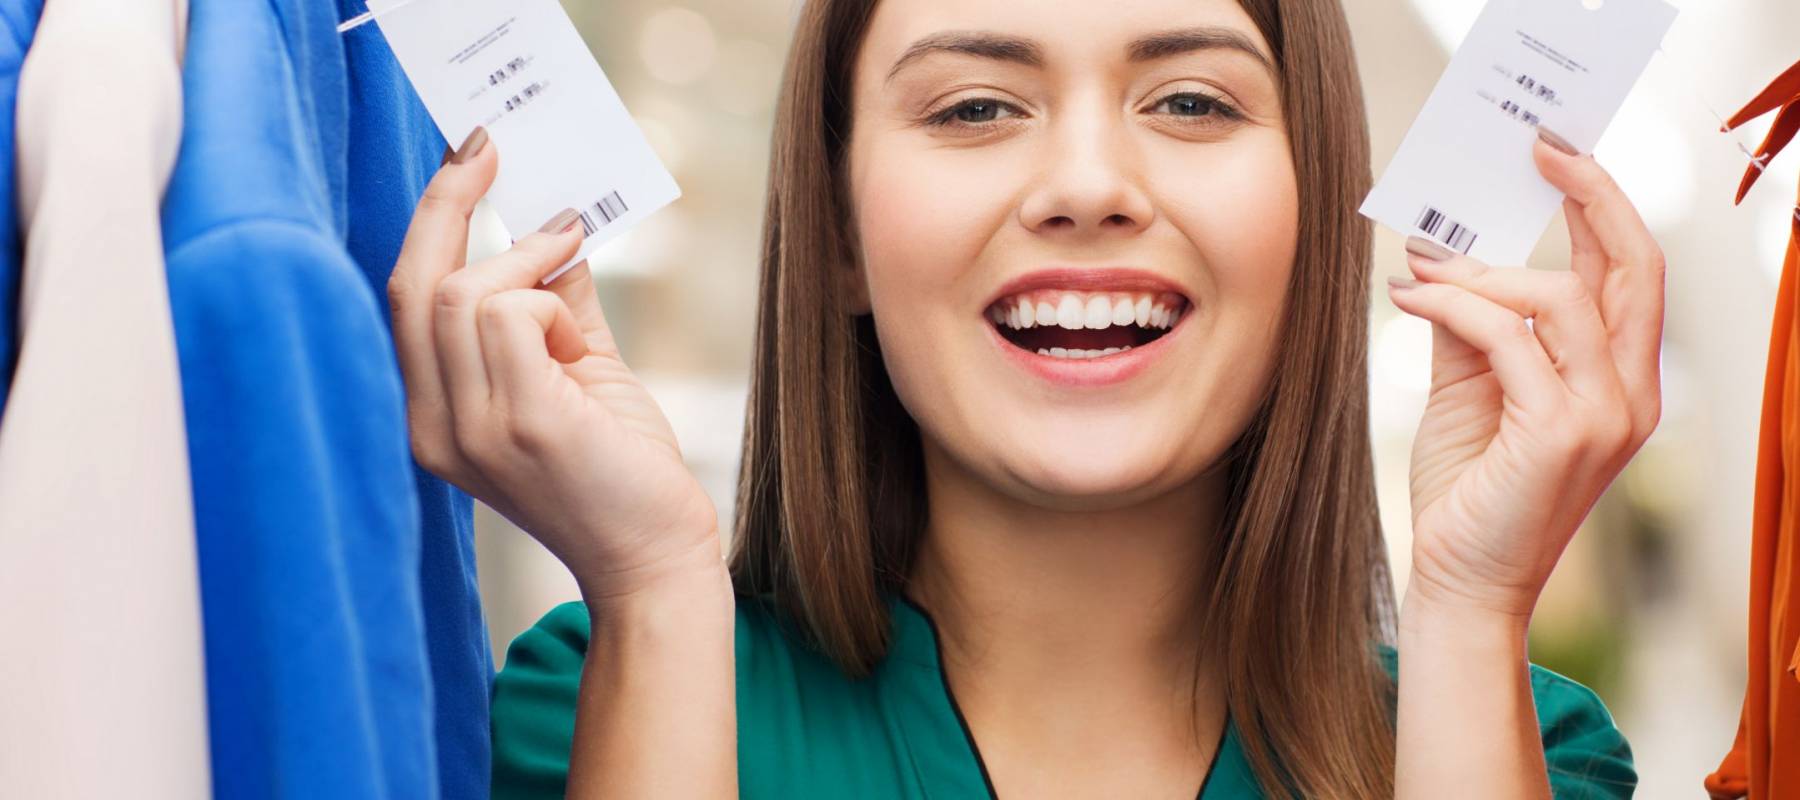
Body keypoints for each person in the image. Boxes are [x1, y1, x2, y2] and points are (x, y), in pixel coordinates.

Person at [384, 0, 1665, 796]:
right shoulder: (601, 698)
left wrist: (1471, 606)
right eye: (976, 106)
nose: (1089, 184)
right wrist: (655, 590)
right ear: (837, 236)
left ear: (1316, 218)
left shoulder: (1523, 746)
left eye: (1191, 100)